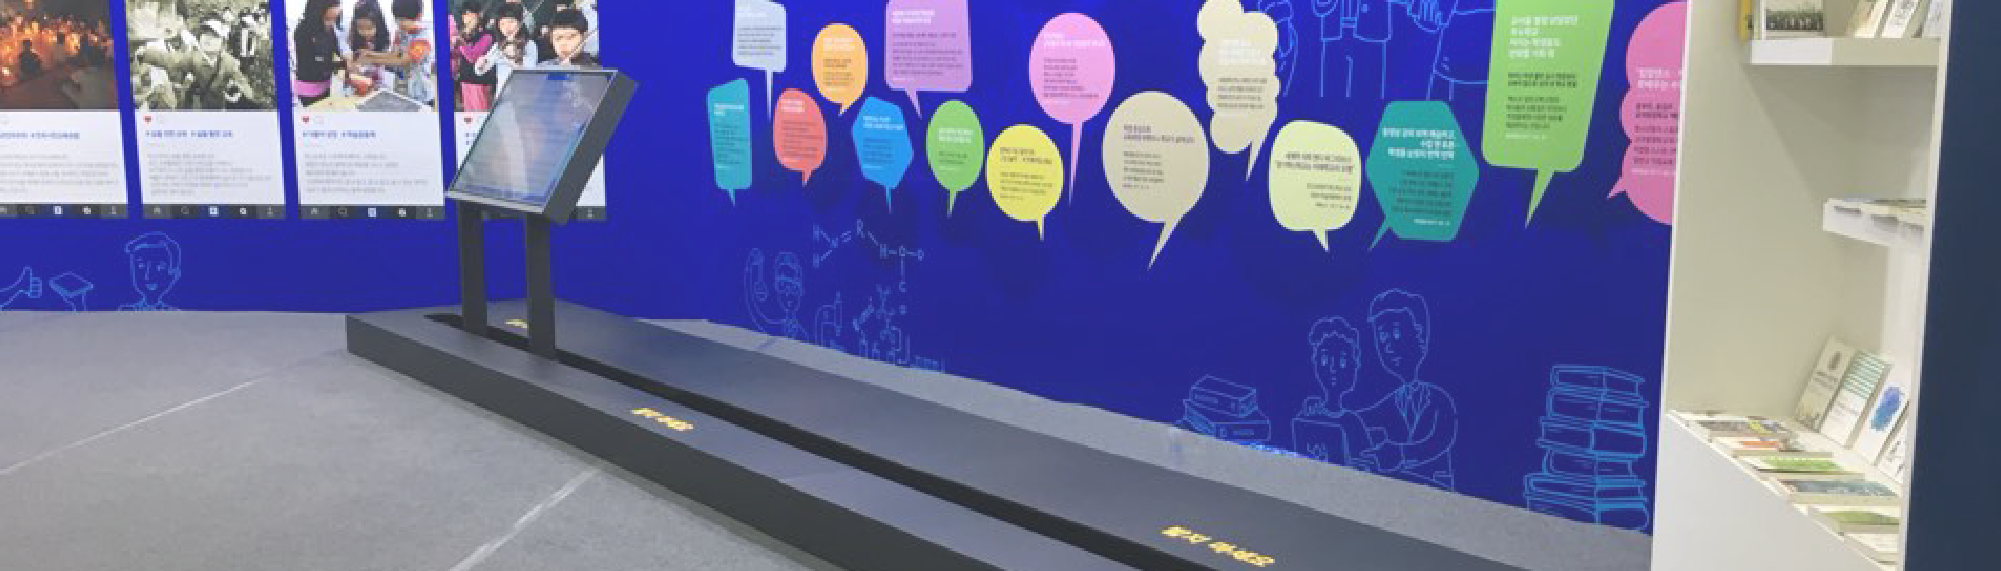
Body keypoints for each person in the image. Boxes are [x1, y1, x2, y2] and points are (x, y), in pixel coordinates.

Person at [1350, 289, 1458, 490]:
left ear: (1420, 334)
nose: (1388, 345)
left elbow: (1439, 441)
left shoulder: (1439, 400)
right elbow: (1362, 418)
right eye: (1382, 337)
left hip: (1438, 491)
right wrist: (1328, 413)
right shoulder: (1393, 401)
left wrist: (1400, 454)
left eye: (1396, 333)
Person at [132, 19, 255, 110]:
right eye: (205, 33)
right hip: (196, 104)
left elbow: (243, 83)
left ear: (223, 43)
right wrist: (144, 53)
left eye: (214, 35)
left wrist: (241, 93)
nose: (207, 38)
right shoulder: (194, 57)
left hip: (217, 106)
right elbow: (171, 60)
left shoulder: (229, 62)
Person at [350, 0, 435, 105]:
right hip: (401, 91)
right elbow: (394, 54)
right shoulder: (400, 33)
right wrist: (370, 53)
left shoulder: (423, 38)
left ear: (419, 16)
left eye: (403, 20)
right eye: (397, 19)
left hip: (420, 95)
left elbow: (402, 60)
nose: (399, 23)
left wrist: (371, 60)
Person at [291, 0, 344, 107]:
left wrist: (344, 58)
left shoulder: (328, 27)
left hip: (325, 83)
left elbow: (334, 48)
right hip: (308, 87)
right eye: (328, 19)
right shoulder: (303, 31)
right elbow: (314, 64)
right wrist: (342, 65)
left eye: (335, 18)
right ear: (315, 13)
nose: (332, 23)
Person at [119, 232, 183, 312]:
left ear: (174, 275)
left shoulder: (174, 312)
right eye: (141, 266)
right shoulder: (126, 311)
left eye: (160, 267)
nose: (149, 276)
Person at [480, 3, 534, 91]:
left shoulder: (529, 44)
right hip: (502, 93)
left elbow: (530, 69)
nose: (507, 27)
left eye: (511, 22)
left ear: (520, 22)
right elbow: (482, 70)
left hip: (522, 93)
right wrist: (481, 64)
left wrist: (513, 56)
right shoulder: (498, 45)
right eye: (502, 24)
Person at [452, 3, 494, 111]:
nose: (466, 17)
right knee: (468, 116)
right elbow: (458, 54)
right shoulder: (464, 34)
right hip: (465, 81)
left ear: (479, 15)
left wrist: (461, 43)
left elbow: (473, 57)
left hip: (480, 83)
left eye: (469, 14)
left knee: (481, 116)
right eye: (464, 14)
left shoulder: (487, 35)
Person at [344, 9, 388, 97]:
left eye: (370, 28)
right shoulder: (353, 38)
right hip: (355, 83)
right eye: (360, 28)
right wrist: (351, 64)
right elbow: (350, 60)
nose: (365, 32)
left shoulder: (382, 39)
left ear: (378, 24)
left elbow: (385, 59)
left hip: (375, 83)